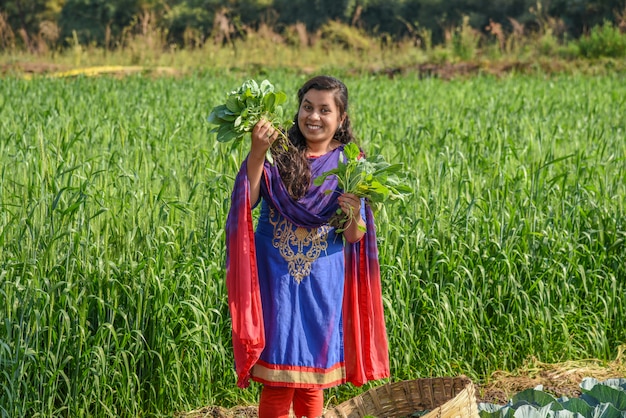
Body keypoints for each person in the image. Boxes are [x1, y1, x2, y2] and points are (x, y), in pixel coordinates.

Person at [225, 75, 389, 418]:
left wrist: (353, 213)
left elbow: (355, 236)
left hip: (322, 281)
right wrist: (257, 154)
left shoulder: (351, 162)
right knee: (277, 380)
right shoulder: (279, 151)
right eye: (307, 107)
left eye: (324, 110)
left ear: (341, 118)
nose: (313, 116)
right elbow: (248, 200)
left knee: (311, 381)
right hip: (277, 278)